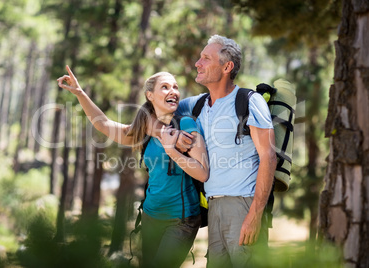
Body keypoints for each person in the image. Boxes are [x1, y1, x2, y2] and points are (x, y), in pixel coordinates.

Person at [57, 67, 209, 268]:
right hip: (151, 217)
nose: (173, 91)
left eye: (175, 87)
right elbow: (103, 124)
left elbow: (203, 172)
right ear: (150, 95)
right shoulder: (143, 130)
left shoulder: (186, 124)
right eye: (165, 87)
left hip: (181, 220)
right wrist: (80, 93)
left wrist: (172, 151)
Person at [166, 35, 277, 267]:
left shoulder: (249, 101)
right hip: (213, 206)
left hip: (244, 205)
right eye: (200, 57)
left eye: (206, 58)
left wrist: (256, 214)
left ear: (227, 67)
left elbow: (268, 156)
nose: (198, 63)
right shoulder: (196, 105)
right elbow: (159, 111)